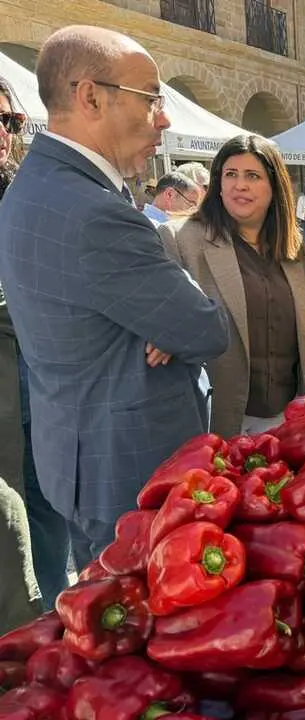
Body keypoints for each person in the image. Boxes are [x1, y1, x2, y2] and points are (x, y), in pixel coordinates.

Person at [0, 26, 230, 569]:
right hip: (129, 473)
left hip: (81, 461)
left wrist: (163, 313)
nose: (164, 119)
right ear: (91, 97)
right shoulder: (94, 210)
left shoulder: (35, 185)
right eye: (151, 98)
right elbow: (205, 328)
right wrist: (171, 310)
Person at [159, 135, 305, 437]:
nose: (239, 185)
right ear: (218, 183)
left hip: (288, 419)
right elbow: (164, 328)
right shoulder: (180, 240)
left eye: (252, 176)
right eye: (231, 174)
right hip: (217, 422)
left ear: (275, 186)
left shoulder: (295, 249)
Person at [0, 75, 43, 628]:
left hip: (36, 385)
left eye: (10, 121)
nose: (4, 132)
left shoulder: (21, 195)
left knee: (45, 518)